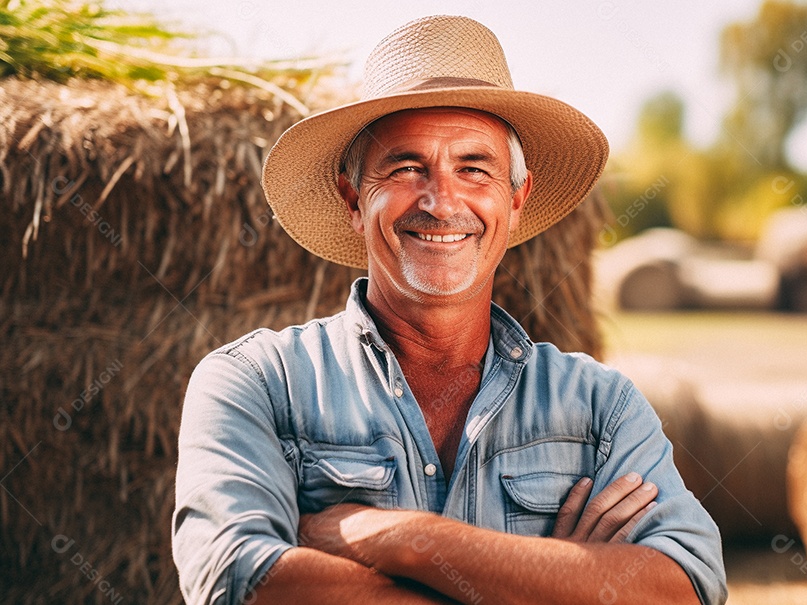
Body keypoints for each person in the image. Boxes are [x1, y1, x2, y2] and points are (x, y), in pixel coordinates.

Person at [172, 15, 726, 605]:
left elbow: (686, 588)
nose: (441, 202)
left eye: (474, 169)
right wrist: (554, 584)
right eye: (406, 167)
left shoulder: (598, 408)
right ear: (353, 198)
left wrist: (406, 540)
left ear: (516, 199)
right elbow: (236, 581)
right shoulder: (258, 383)